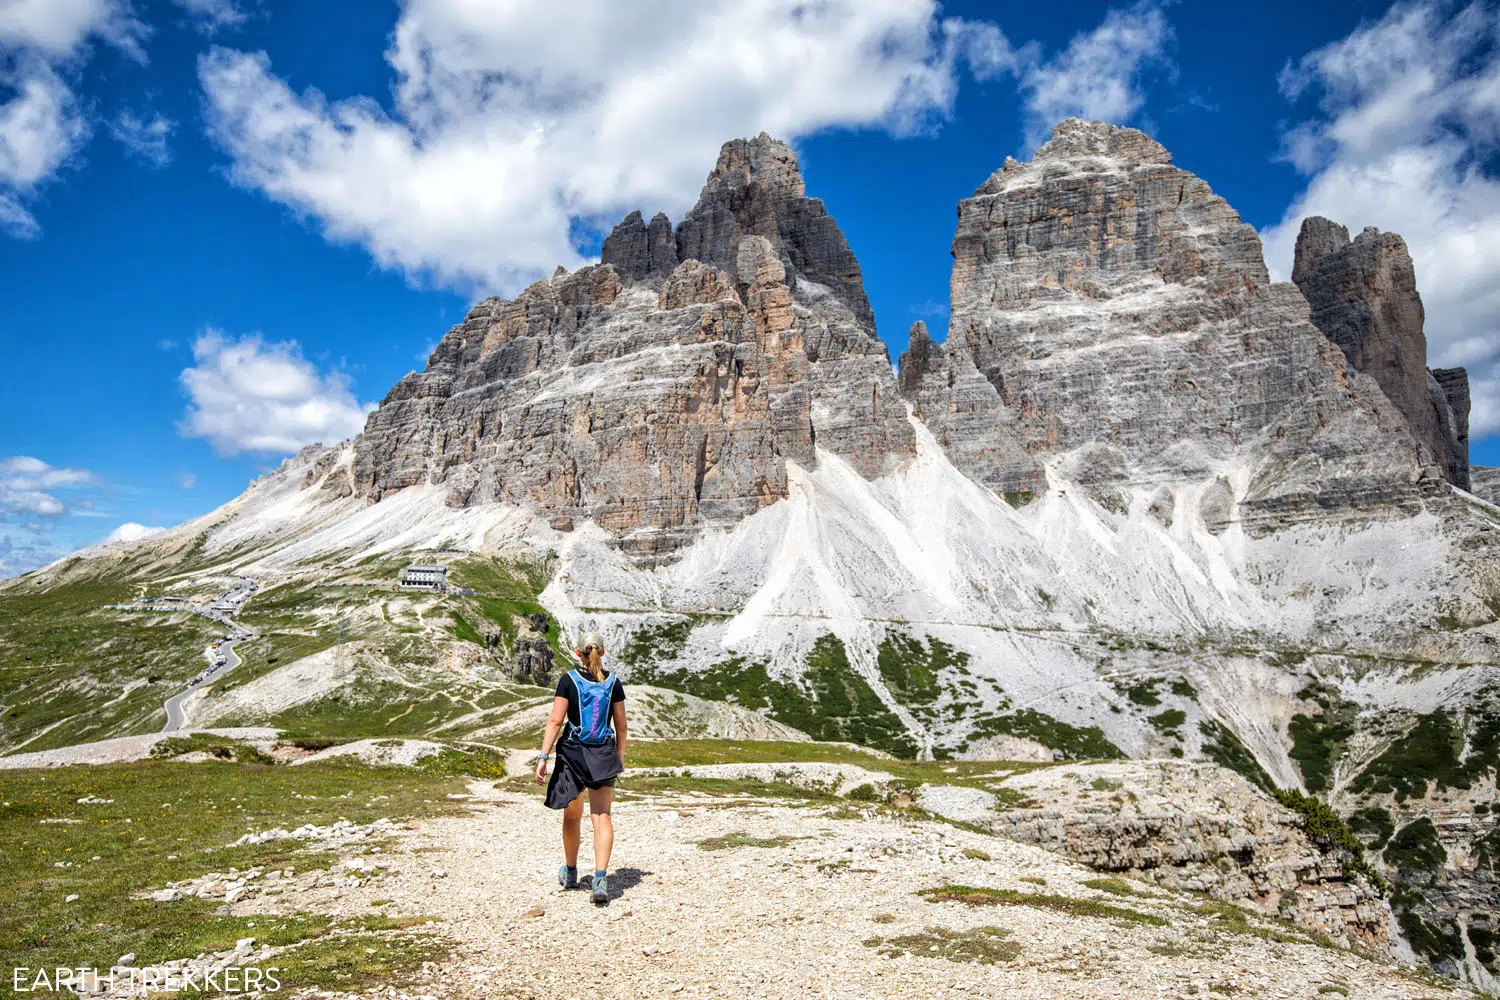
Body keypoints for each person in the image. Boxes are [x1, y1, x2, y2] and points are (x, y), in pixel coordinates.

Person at [535, 631, 627, 905]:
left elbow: (554, 721)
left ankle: (572, 872)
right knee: (602, 816)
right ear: (604, 651)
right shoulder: (613, 682)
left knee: (572, 816)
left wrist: (543, 756)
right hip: (603, 755)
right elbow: (621, 726)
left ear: (578, 653)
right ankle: (600, 878)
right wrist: (617, 758)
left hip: (573, 754)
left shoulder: (568, 680)